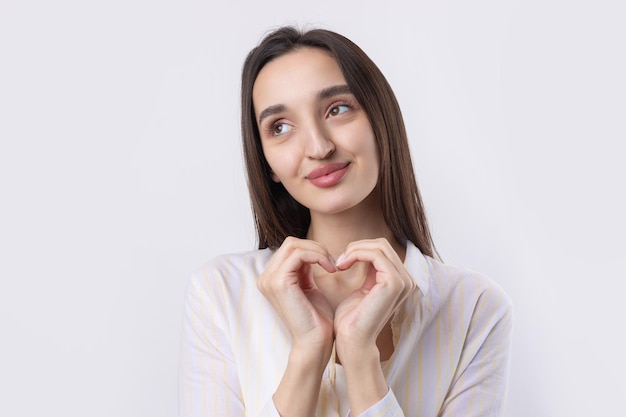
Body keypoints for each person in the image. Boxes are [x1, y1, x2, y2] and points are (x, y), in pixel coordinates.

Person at [179, 26, 513, 417]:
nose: (319, 147)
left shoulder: (474, 307)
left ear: (380, 119)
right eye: (280, 127)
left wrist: (360, 357)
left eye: (337, 109)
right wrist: (308, 351)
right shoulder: (220, 292)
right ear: (266, 162)